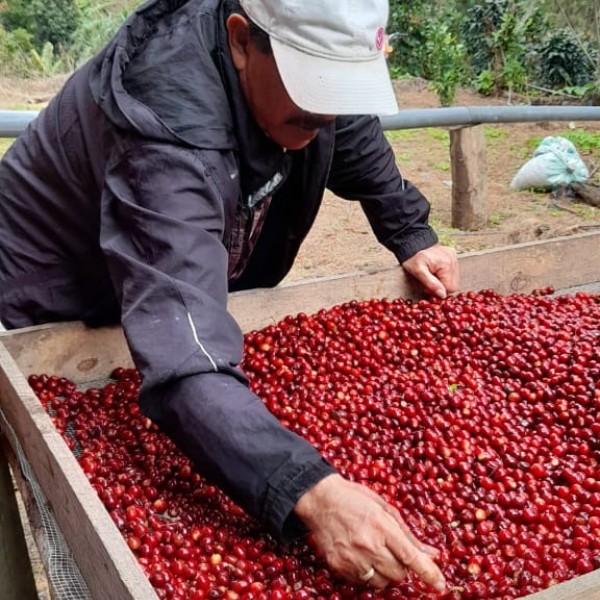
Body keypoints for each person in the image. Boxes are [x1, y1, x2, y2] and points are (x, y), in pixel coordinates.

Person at [0, 0, 458, 592]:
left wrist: (409, 232)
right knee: (31, 441)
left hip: (161, 270)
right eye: (308, 103)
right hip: (48, 285)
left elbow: (346, 126)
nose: (323, 116)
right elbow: (186, 358)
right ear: (242, 41)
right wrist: (313, 492)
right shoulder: (166, 121)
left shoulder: (296, 84)